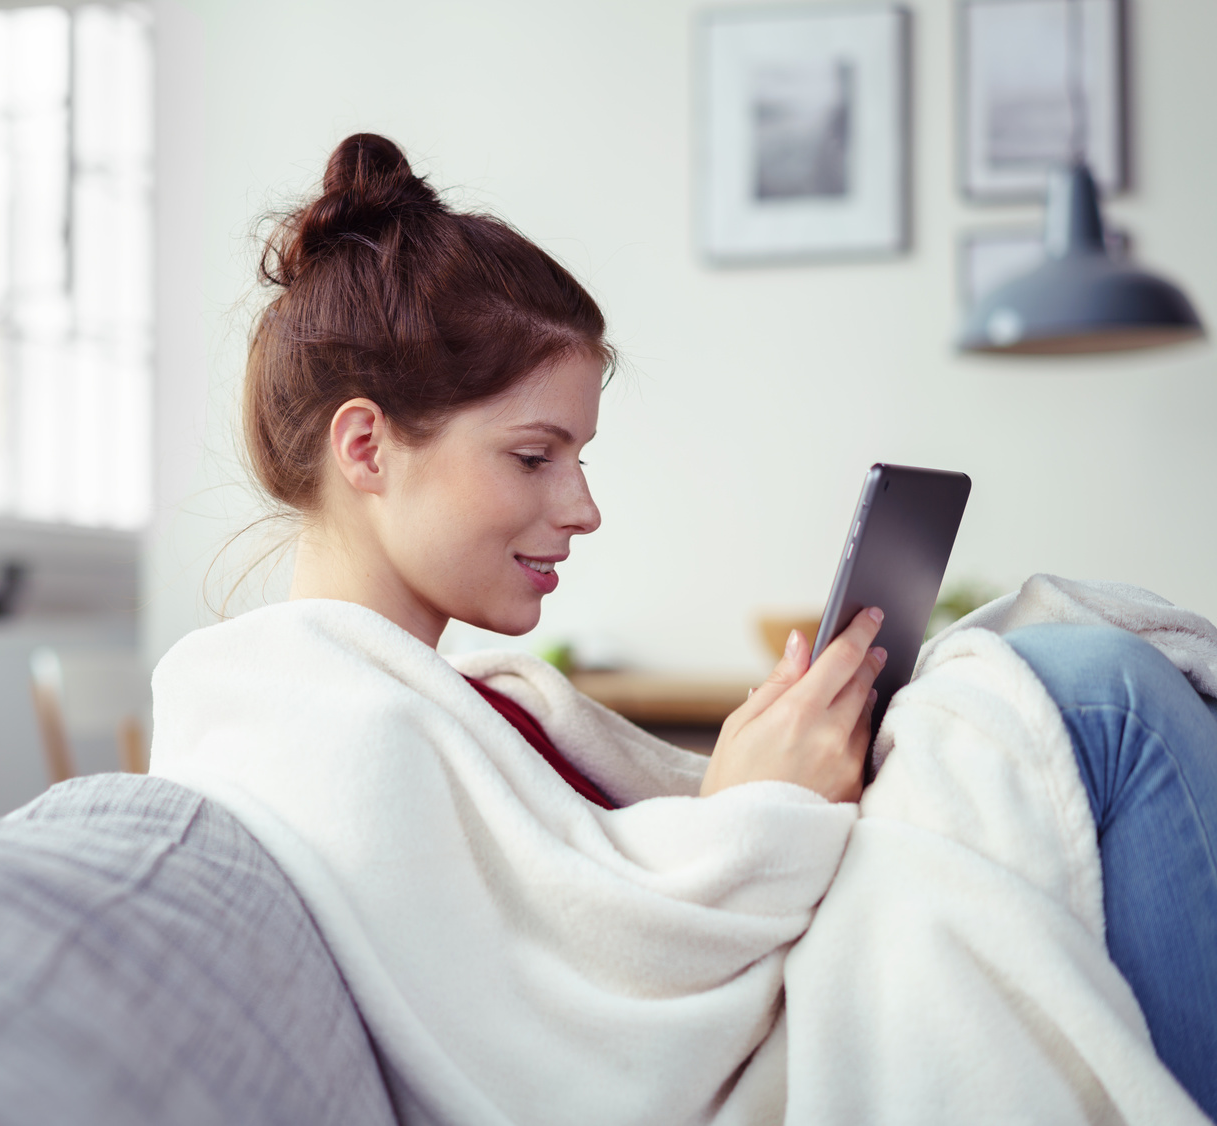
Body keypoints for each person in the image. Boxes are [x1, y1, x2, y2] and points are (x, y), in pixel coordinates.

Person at [148, 133, 1217, 1123]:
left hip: (794, 961)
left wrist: (747, 786)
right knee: (1092, 693)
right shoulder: (322, 728)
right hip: (774, 1044)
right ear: (367, 448)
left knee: (1073, 688)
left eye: (580, 457)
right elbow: (592, 1049)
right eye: (533, 456)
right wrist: (759, 806)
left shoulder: (407, 697)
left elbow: (590, 920)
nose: (581, 507)